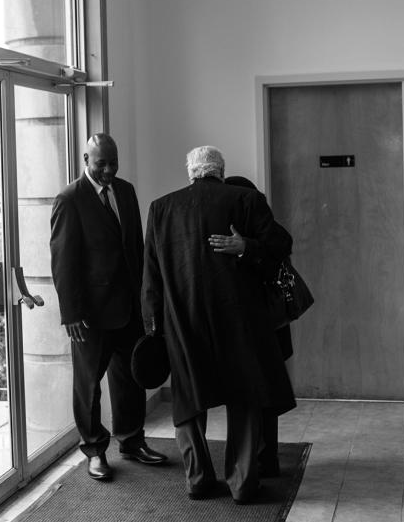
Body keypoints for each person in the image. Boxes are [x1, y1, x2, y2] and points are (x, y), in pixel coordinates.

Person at [143, 146, 295, 503]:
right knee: (244, 398)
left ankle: (198, 479)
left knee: (188, 400)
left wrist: (152, 326)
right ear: (221, 172)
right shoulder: (246, 200)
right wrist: (246, 246)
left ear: (190, 173)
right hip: (239, 320)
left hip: (183, 320)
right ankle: (242, 484)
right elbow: (282, 244)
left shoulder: (161, 208)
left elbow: (151, 275)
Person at [50, 133, 167, 481]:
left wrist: (147, 301)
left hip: (129, 309)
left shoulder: (127, 191)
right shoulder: (69, 199)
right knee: (88, 387)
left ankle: (132, 441)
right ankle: (95, 451)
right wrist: (70, 313)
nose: (109, 170)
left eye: (113, 162)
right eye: (102, 163)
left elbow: (136, 249)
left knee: (131, 379)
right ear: (86, 160)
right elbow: (63, 261)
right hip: (90, 316)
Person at [214, 175, 294, 478]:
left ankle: (265, 460)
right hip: (249, 326)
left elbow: (281, 247)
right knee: (256, 396)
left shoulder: (260, 227)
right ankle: (260, 459)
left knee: (265, 394)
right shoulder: (228, 227)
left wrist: (245, 247)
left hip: (266, 325)